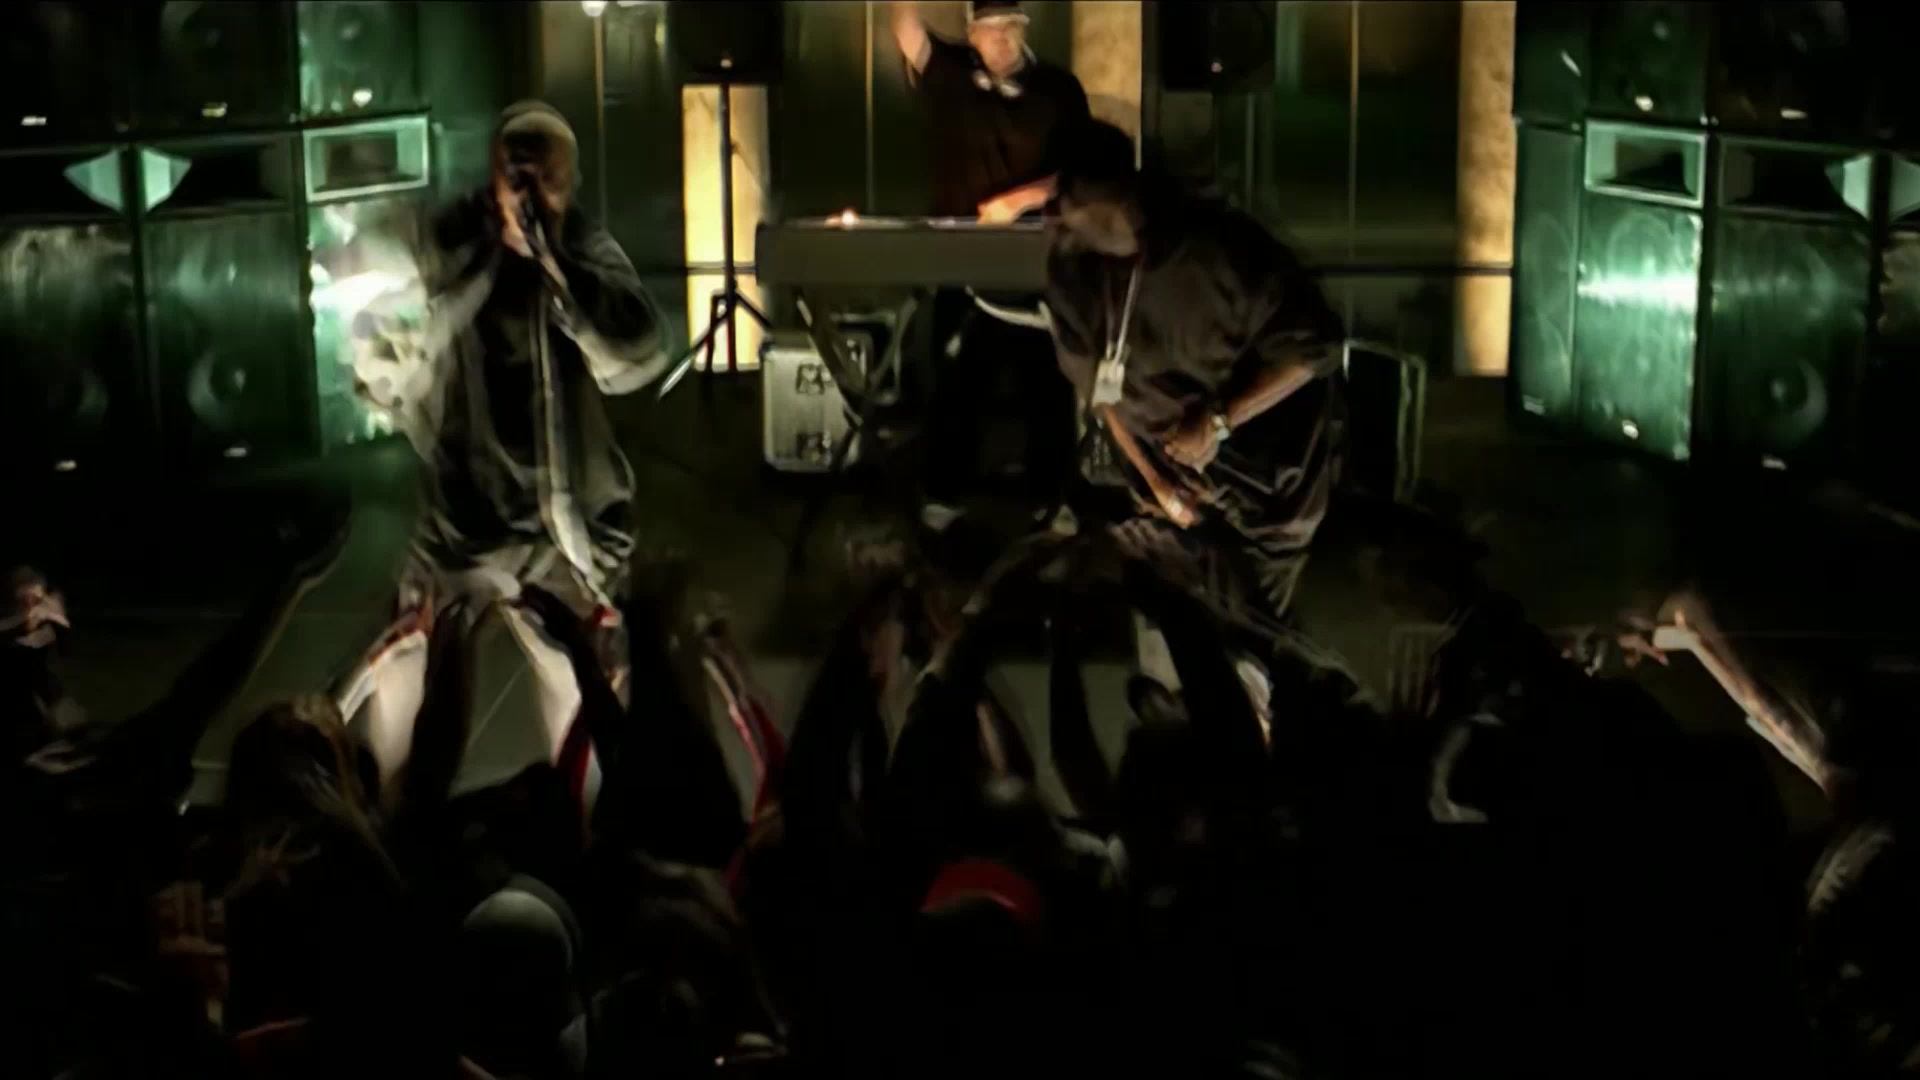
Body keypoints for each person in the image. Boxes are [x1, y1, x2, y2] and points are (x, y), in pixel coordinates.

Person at [1043, 119, 1347, 626]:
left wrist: (1218, 421)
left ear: (1116, 196)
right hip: (1164, 491)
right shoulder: (1073, 271)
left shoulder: (1218, 255)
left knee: (1247, 633)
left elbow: (1317, 347)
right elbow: (1101, 393)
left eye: (1068, 199)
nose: (1055, 215)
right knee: (1146, 620)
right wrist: (1155, 483)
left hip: (1261, 495)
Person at [408, 99, 669, 616]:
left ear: (570, 183)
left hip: (565, 527)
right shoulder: (457, 237)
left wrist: (558, 270)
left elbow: (637, 351)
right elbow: (402, 327)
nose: (529, 194)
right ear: (495, 179)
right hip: (469, 523)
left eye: (546, 179)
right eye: (517, 177)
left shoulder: (584, 246)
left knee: (587, 655)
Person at [892, 0, 1090, 525]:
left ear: (1024, 29)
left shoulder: (1058, 90)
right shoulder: (953, 76)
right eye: (989, 29)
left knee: (1046, 380)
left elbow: (1083, 169)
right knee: (956, 378)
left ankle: (1052, 497)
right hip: (961, 258)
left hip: (1035, 258)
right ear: (971, 34)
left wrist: (1021, 200)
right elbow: (907, 30)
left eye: (1009, 28)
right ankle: (943, 493)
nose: (1000, 39)